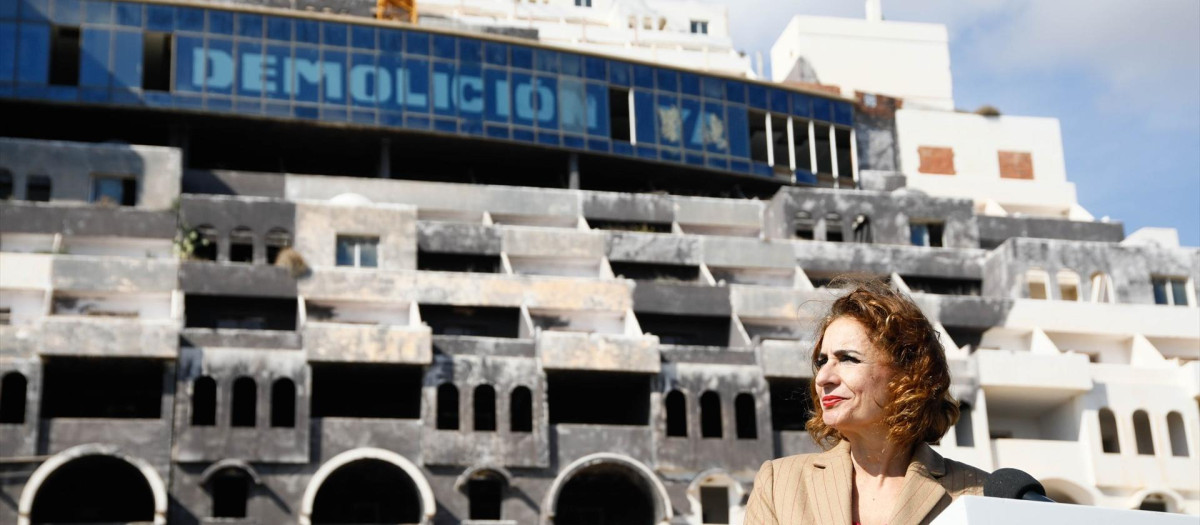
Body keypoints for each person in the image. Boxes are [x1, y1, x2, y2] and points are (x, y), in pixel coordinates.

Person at [743, 281, 987, 525]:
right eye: (822, 361)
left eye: (848, 359)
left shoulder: (977, 493)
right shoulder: (778, 484)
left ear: (908, 374)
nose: (823, 378)